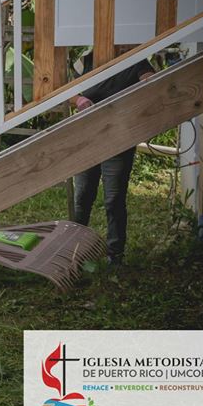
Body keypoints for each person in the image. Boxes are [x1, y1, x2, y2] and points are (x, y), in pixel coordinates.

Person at [71, 52, 156, 266]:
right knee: (82, 197)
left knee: (114, 199)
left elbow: (150, 78)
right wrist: (78, 99)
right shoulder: (86, 60)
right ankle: (74, 251)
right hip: (87, 138)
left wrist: (148, 81)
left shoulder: (134, 59)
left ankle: (115, 255)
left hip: (119, 138)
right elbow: (68, 90)